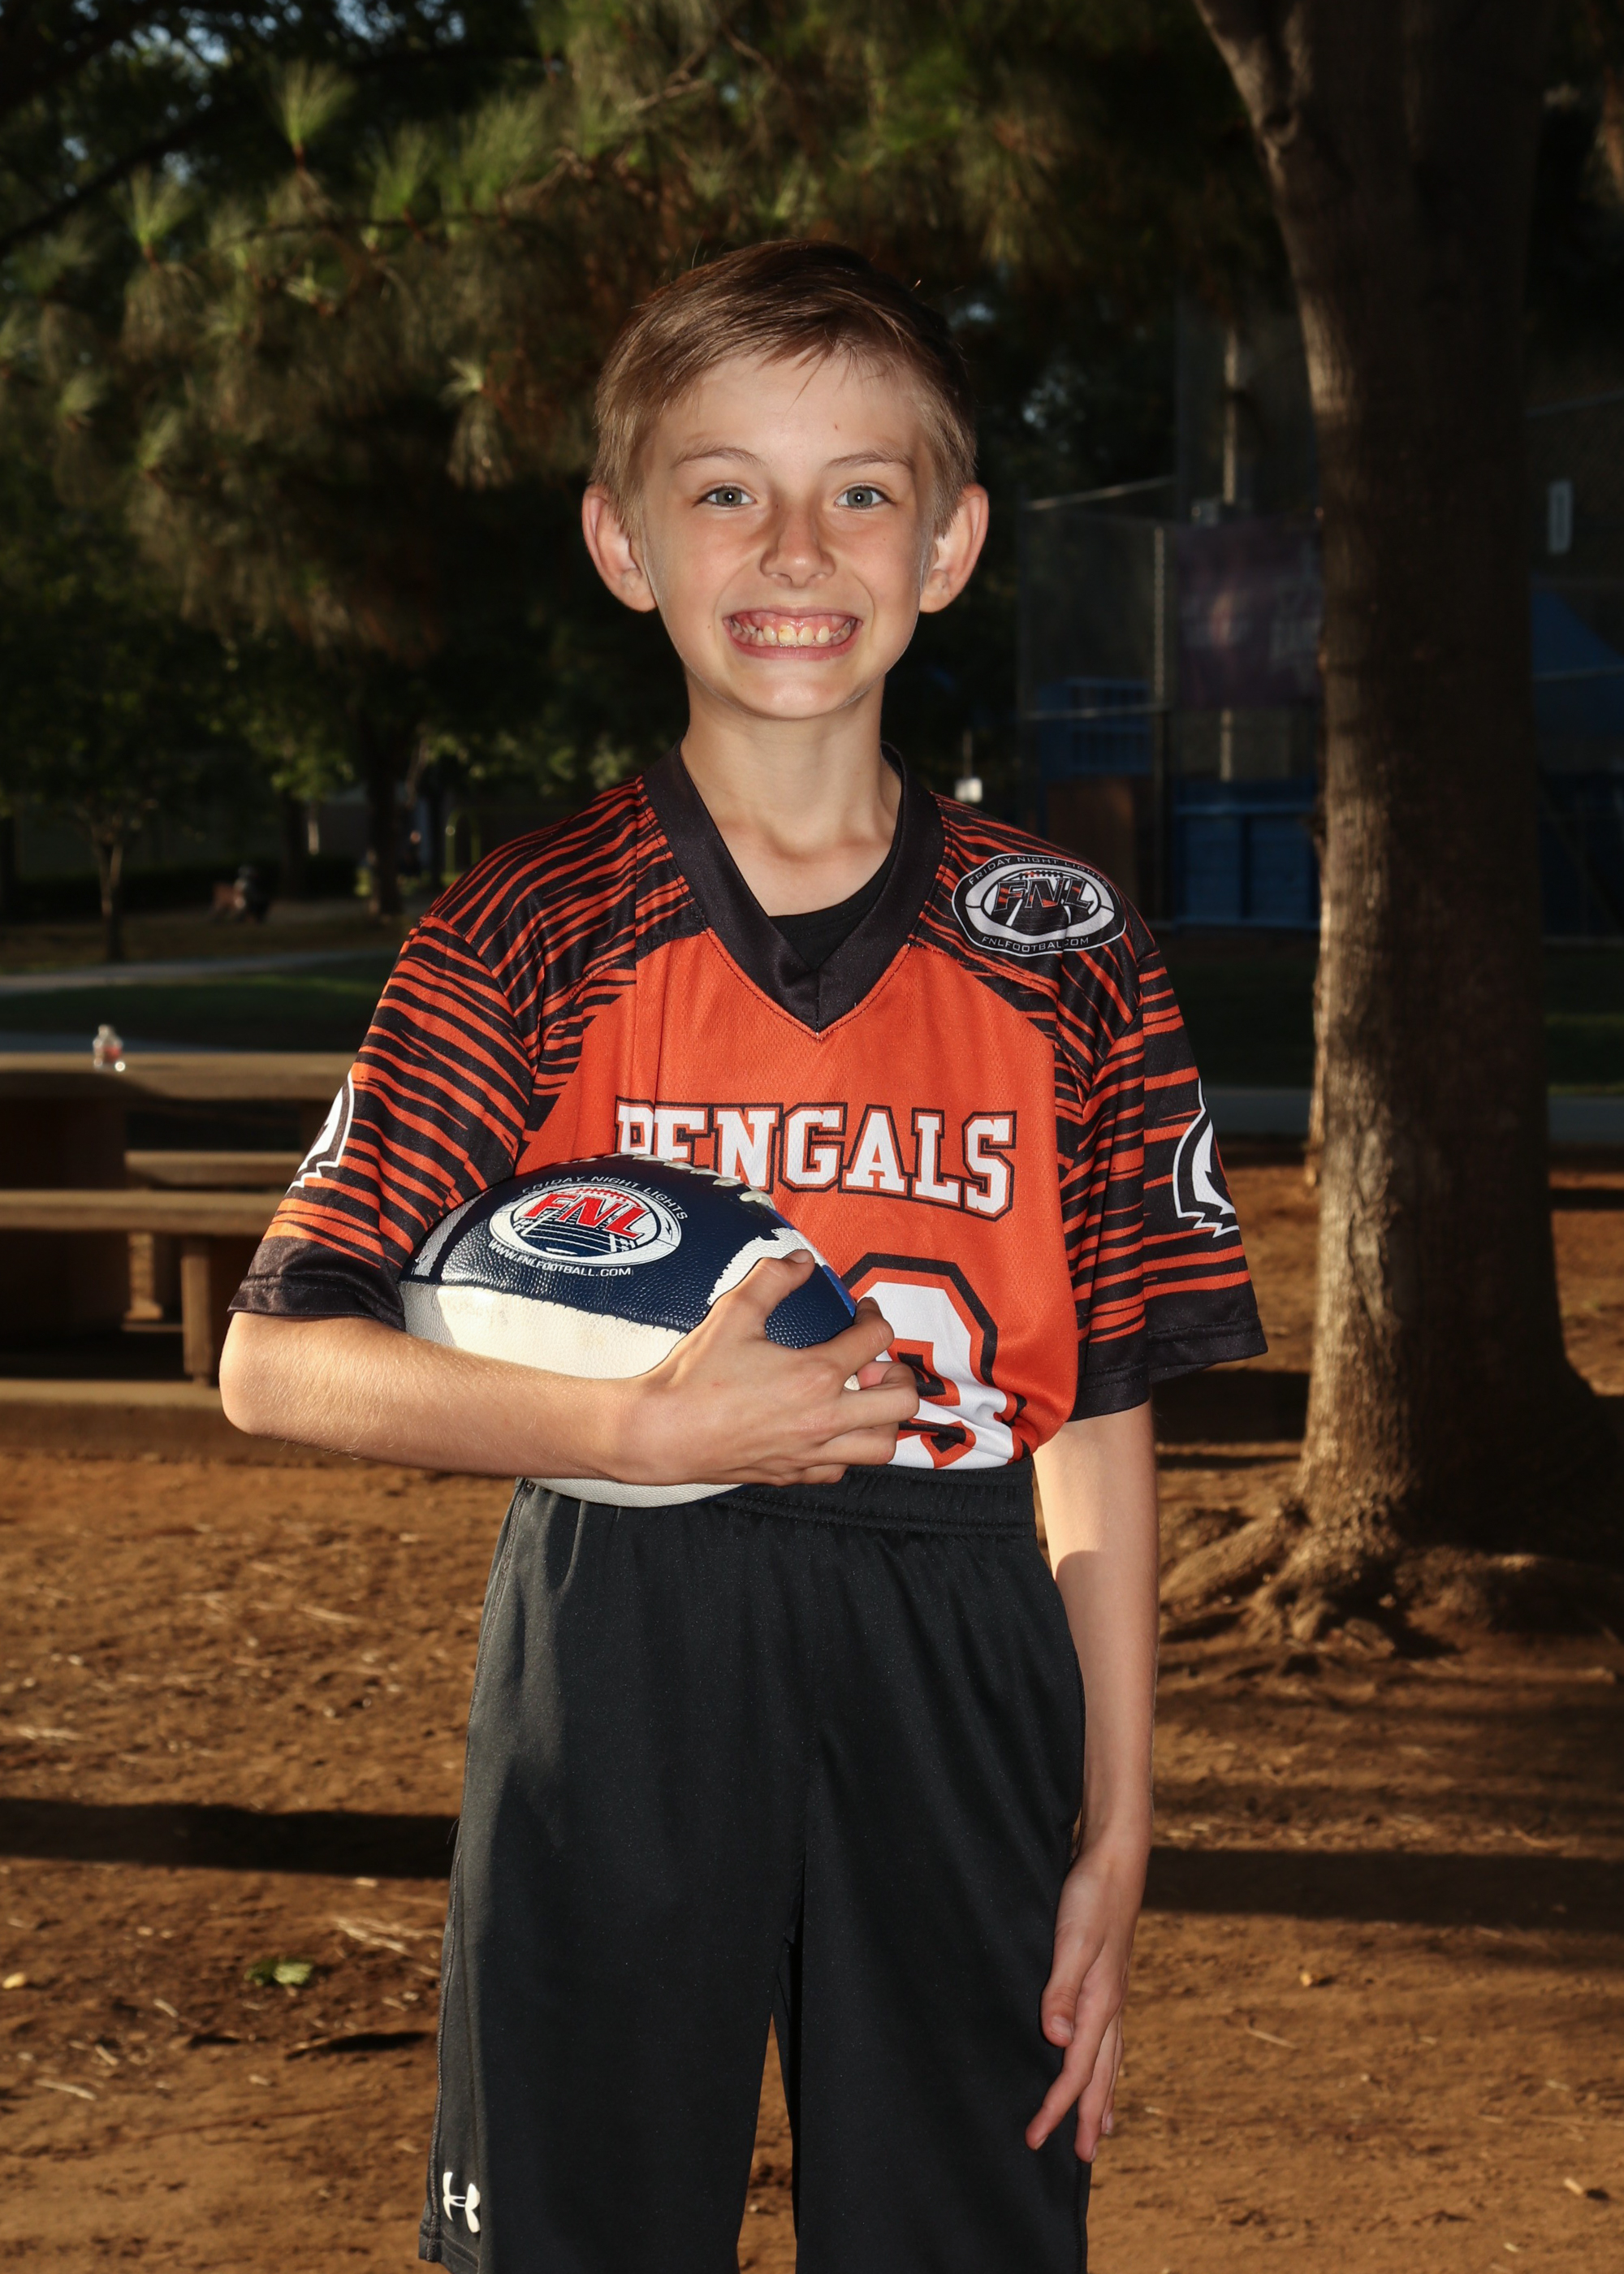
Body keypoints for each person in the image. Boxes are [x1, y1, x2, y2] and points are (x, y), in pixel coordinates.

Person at [219, 240, 1265, 2274]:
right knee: (579, 2226)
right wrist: (640, 1424)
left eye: (860, 489)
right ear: (624, 542)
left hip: (962, 1625)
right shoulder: (526, 929)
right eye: (726, 490)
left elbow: (1096, 1409)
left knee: (962, 2220)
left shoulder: (1066, 947)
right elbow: (278, 1355)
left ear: (948, 543)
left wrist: (1121, 1819)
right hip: (624, 1614)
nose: (796, 547)